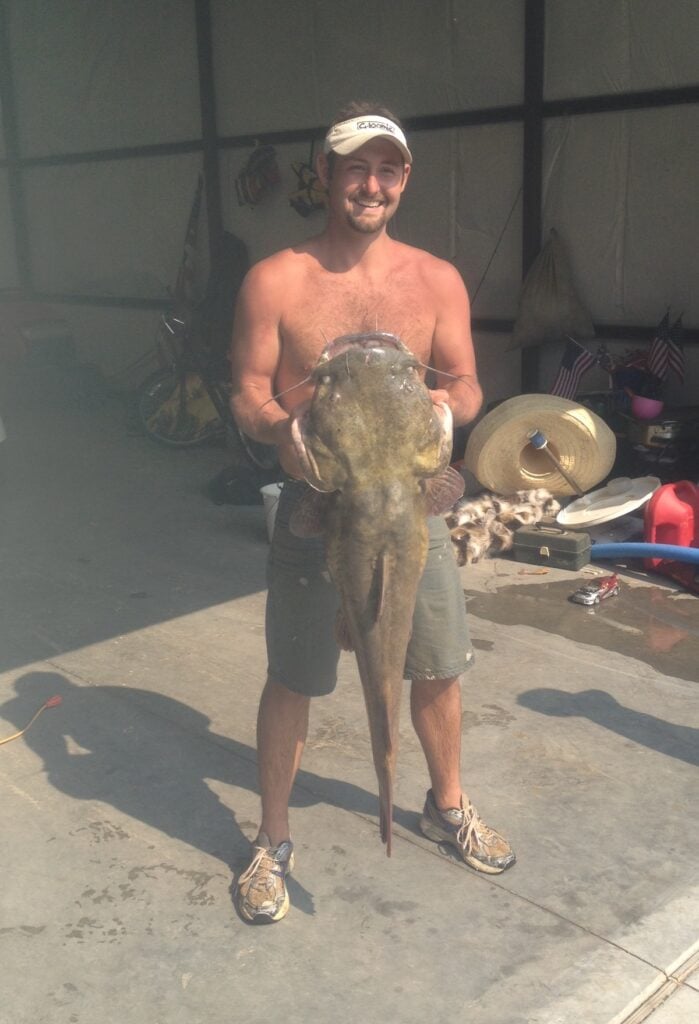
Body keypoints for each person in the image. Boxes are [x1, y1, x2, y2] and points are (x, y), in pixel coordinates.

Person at [229, 102, 515, 924]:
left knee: (437, 662)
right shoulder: (275, 278)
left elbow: (463, 383)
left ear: (404, 178)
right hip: (316, 507)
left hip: (408, 508)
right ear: (324, 174)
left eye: (387, 168)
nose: (371, 184)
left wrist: (444, 412)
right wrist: (277, 430)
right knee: (293, 676)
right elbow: (248, 388)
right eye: (355, 166)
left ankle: (445, 803)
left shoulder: (435, 279)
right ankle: (271, 838)